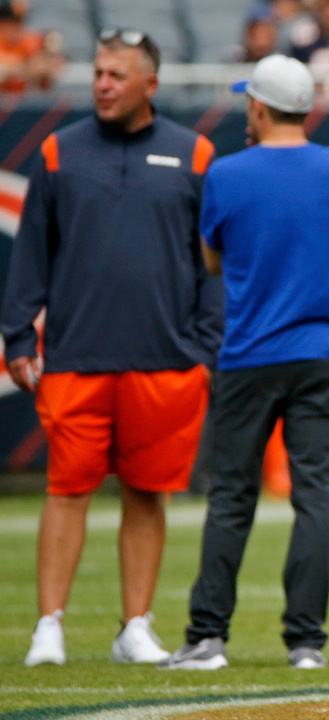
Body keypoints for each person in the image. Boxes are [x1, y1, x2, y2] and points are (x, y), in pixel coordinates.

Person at [2, 28, 220, 666]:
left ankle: (135, 625)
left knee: (147, 492)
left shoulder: (195, 153)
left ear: (149, 85)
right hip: (76, 356)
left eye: (116, 75)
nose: (101, 84)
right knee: (65, 489)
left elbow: (212, 262)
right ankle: (49, 625)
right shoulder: (57, 152)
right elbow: (30, 253)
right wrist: (17, 332)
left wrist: (205, 346)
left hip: (167, 360)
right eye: (98, 72)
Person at [158, 54, 329, 671]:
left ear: (258, 106)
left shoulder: (227, 173)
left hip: (249, 353)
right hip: (321, 352)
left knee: (230, 498)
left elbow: (213, 260)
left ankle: (207, 637)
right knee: (314, 499)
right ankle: (305, 643)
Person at [0, 0, 63, 94]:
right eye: (9, 23)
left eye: (17, 22)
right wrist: (23, 67)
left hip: (24, 101)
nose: (13, 28)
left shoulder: (29, 39)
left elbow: (46, 66)